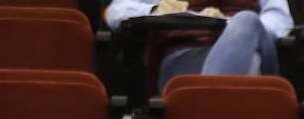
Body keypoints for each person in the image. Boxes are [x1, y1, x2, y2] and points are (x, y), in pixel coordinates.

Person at [105, 0, 292, 92]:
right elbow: (116, 11)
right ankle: (212, 109)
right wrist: (155, 9)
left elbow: (280, 19)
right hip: (184, 58)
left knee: (247, 21)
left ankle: (203, 110)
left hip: (252, 51)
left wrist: (232, 28)